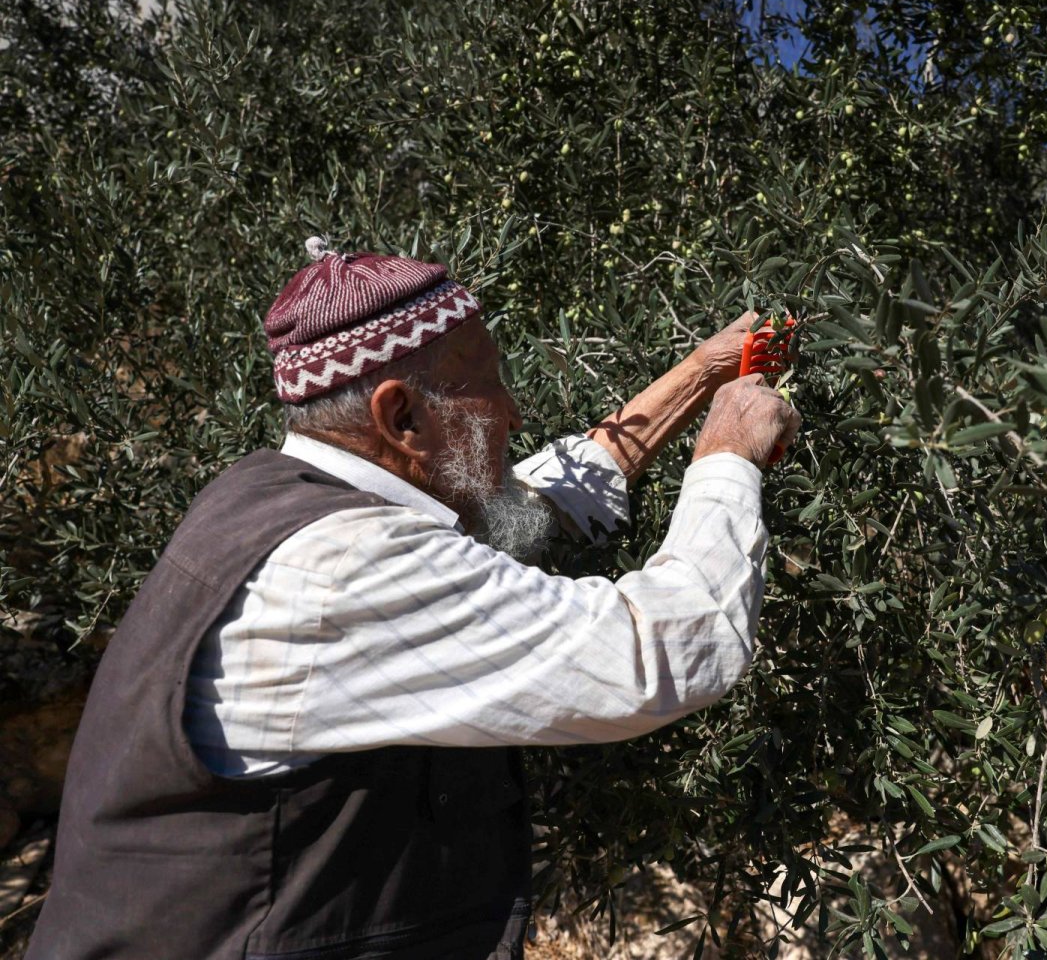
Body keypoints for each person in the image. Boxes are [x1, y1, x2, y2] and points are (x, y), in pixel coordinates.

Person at [27, 239, 800, 960]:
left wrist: (702, 374)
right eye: (490, 383)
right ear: (400, 416)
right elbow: (664, 650)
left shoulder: (281, 498)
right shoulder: (346, 570)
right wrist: (728, 454)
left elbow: (530, 503)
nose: (515, 412)